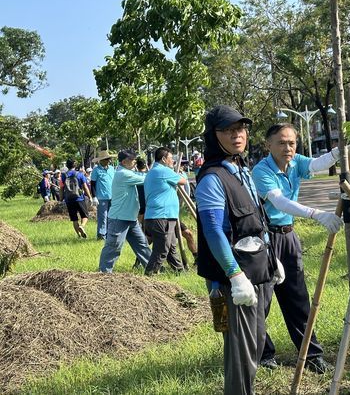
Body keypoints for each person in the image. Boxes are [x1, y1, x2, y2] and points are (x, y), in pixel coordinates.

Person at [195, 105, 276, 395]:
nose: (237, 135)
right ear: (213, 135)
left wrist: (272, 260)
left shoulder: (242, 170)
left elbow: (257, 220)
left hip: (258, 268)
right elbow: (214, 231)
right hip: (234, 277)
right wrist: (235, 275)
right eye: (228, 130)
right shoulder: (212, 178)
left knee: (255, 341)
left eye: (240, 129)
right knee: (241, 354)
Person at [251, 123, 345, 373]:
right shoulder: (262, 170)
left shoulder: (295, 163)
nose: (287, 148)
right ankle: (264, 354)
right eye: (281, 143)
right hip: (266, 240)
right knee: (264, 300)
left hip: (289, 237)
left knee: (298, 297)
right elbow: (279, 202)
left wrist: (340, 150)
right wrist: (316, 214)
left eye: (291, 142)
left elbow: (317, 164)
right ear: (268, 145)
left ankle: (311, 354)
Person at [98, 150, 152, 273]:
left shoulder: (128, 172)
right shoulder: (123, 174)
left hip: (130, 218)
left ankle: (152, 268)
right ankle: (104, 273)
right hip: (119, 218)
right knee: (114, 246)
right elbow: (146, 178)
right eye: (132, 160)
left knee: (142, 245)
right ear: (124, 162)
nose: (134, 162)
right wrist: (157, 173)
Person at [143, 147, 188, 276]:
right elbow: (183, 181)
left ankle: (180, 272)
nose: (173, 161)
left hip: (160, 216)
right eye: (171, 159)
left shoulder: (153, 171)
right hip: (162, 216)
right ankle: (149, 275)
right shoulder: (162, 171)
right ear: (163, 159)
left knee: (171, 247)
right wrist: (177, 171)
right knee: (162, 248)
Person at [61, 159, 93, 238]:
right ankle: (82, 226)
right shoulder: (80, 174)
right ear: (75, 165)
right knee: (84, 216)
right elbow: (85, 187)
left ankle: (79, 236)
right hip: (79, 198)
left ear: (67, 166)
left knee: (74, 219)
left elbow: (61, 188)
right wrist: (90, 197)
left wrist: (61, 198)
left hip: (69, 199)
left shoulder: (64, 175)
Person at [90, 150, 117, 240]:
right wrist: (94, 196)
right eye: (106, 159)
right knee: (103, 217)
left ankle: (110, 234)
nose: (108, 161)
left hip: (112, 196)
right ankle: (101, 235)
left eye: (109, 159)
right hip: (101, 197)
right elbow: (92, 184)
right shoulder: (96, 170)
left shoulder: (112, 169)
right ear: (101, 160)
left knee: (111, 216)